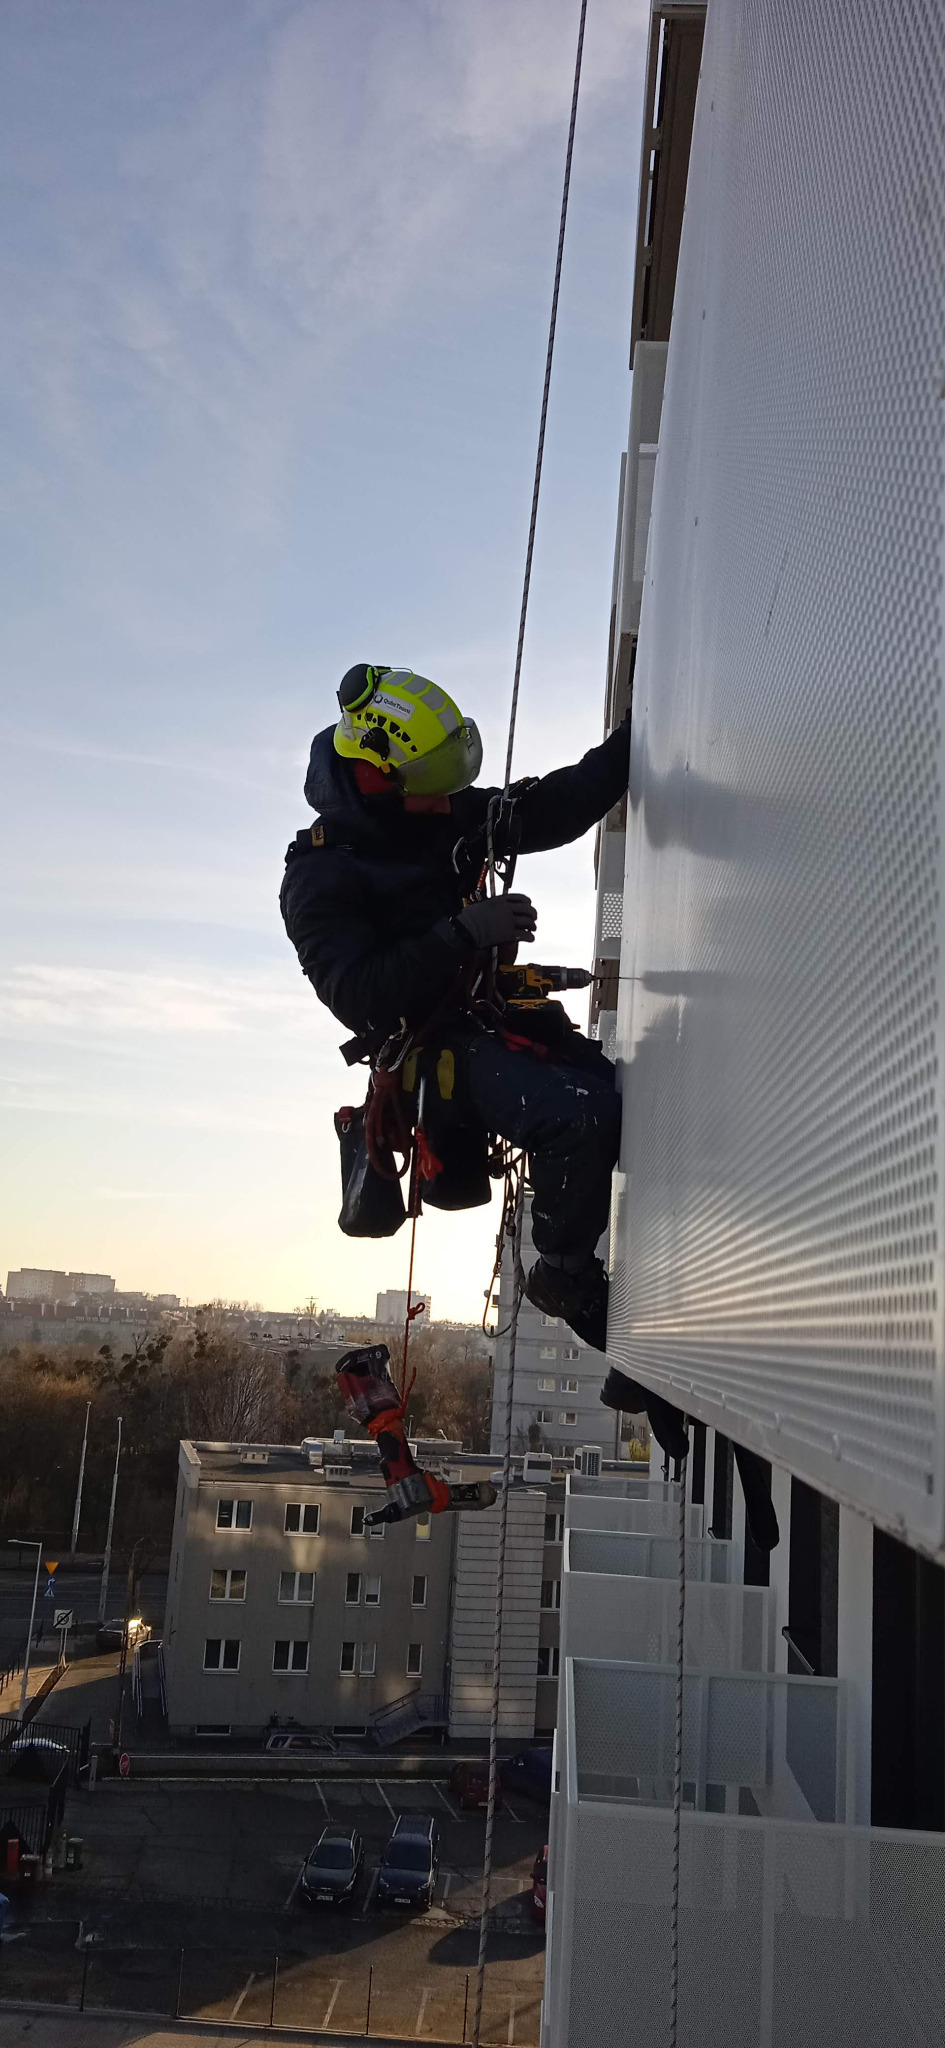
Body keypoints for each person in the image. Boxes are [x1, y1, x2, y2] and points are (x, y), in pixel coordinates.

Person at [281, 662, 693, 1469]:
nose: (446, 806)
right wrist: (461, 934)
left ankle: (630, 1351)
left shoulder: (433, 814)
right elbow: (359, 995)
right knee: (578, 1115)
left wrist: (636, 733)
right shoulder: (320, 873)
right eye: (430, 793)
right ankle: (565, 1275)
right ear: (375, 774)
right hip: (434, 1054)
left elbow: (545, 809)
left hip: (493, 1017)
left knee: (631, 1104)